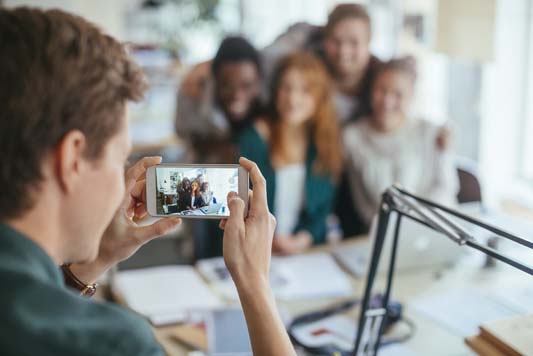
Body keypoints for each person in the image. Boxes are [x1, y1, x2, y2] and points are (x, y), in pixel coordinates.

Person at [0, 8, 295, 356]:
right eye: (119, 158)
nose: (122, 182)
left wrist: (95, 261)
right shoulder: (116, 343)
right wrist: (255, 283)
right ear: (72, 159)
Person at [238, 52, 342, 255]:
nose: (293, 99)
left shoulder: (323, 141)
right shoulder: (255, 138)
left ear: (319, 97)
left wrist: (303, 239)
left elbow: (323, 208)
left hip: (305, 252)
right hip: (254, 250)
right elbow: (240, 203)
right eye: (286, 88)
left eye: (305, 90)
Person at [343, 57, 459, 228]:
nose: (387, 101)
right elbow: (362, 205)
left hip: (435, 228)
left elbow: (446, 189)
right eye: (381, 90)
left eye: (398, 94)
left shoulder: (430, 131)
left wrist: (415, 226)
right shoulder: (351, 137)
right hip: (383, 232)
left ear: (411, 95)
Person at [176, 36, 263, 163]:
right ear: (215, 81)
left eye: (246, 85)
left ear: (258, 81)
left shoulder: (273, 96)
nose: (237, 96)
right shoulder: (192, 94)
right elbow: (184, 133)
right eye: (227, 86)